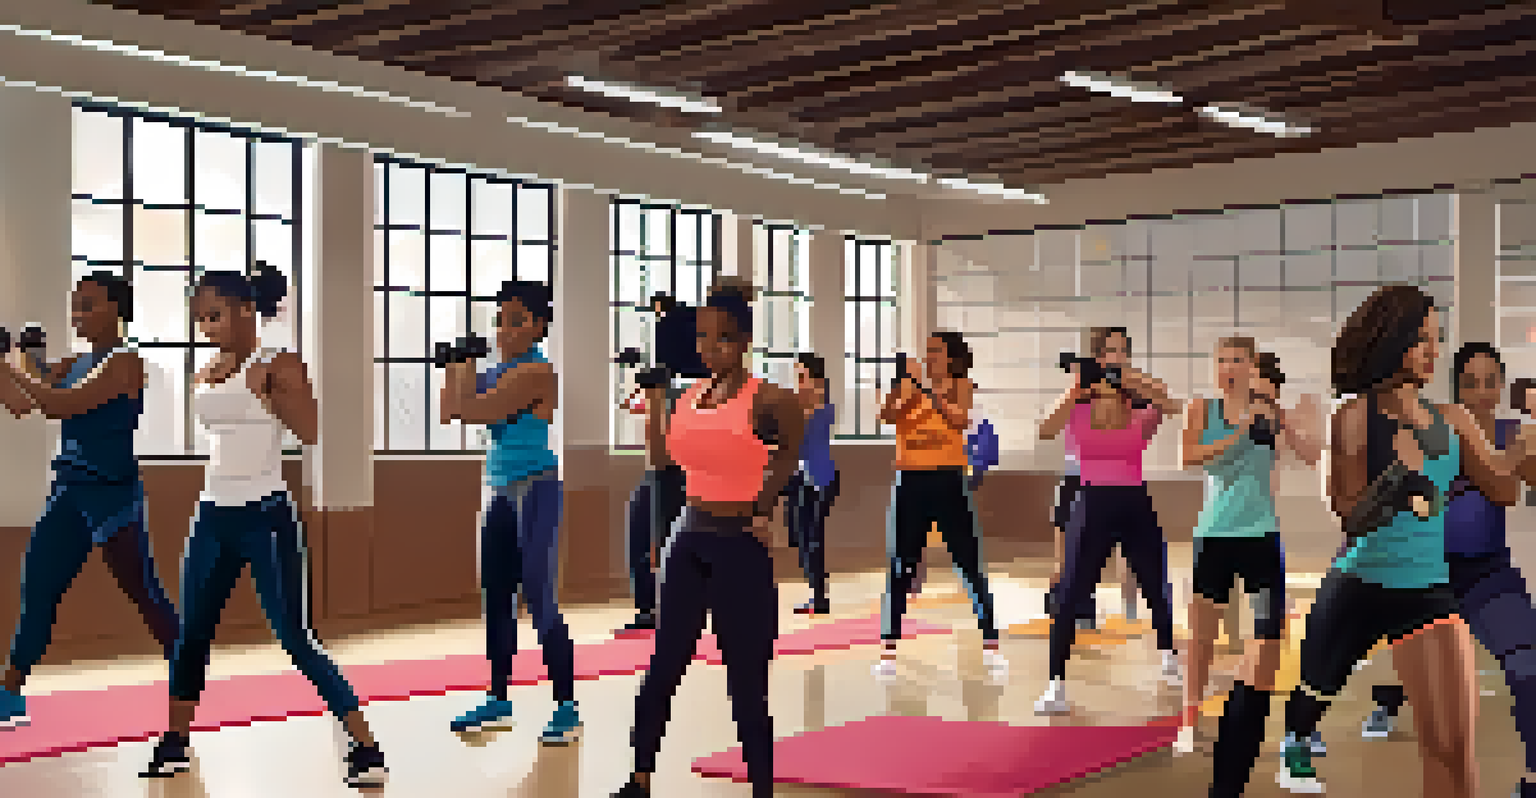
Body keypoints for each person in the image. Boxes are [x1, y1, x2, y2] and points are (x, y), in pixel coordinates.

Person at [140, 263, 386, 787]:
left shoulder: (278, 363)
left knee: (295, 638)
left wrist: (276, 394)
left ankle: (363, 744)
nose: (205, 327)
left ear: (247, 310)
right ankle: (176, 740)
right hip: (211, 515)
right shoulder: (206, 369)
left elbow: (313, 430)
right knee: (191, 636)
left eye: (214, 315)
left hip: (266, 515)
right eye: (200, 318)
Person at [1272, 286, 1520, 797]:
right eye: (1419, 339)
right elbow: (1350, 515)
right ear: (1390, 340)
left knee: (1453, 745)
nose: (1433, 352)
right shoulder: (1356, 415)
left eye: (1437, 340)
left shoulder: (1452, 419)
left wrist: (1522, 451)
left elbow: (1502, 486)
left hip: (1426, 590)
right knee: (1317, 684)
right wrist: (1397, 479)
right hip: (1361, 582)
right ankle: (1295, 739)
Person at [612, 277, 805, 798]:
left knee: (745, 681)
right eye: (701, 339)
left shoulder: (768, 398)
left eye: (719, 339)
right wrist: (655, 400)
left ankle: (762, 788)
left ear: (743, 342)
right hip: (688, 537)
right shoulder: (689, 396)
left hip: (739, 544)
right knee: (663, 665)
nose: (707, 349)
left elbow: (792, 449)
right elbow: (660, 461)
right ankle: (640, 779)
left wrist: (764, 505)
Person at [1356, 342, 1536, 798]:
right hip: (1427, 576)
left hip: (1488, 574)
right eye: (1470, 382)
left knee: (1528, 666)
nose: (1480, 392)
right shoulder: (1432, 429)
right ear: (1455, 386)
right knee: (1424, 683)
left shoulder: (1514, 432)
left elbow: (1521, 486)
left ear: (1499, 386)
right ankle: (1383, 703)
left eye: (1489, 381)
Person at [0, 273, 179, 729]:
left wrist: (15, 370)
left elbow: (62, 406)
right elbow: (23, 404)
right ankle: (9, 692)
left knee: (143, 593)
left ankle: (186, 667)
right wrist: (5, 362)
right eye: (75, 306)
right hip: (70, 491)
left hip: (111, 493)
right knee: (37, 583)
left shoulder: (125, 364)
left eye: (89, 306)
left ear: (116, 310)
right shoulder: (73, 363)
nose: (78, 315)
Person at [439, 280, 582, 744]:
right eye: (500, 319)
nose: (504, 330)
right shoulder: (500, 370)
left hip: (535, 489)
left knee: (539, 600)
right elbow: (449, 410)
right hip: (497, 489)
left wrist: (462, 369)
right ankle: (498, 698)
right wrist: (457, 364)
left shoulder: (537, 373)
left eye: (516, 320)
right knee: (496, 598)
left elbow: (477, 410)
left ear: (538, 326)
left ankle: (566, 705)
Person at [1179, 342, 1321, 797]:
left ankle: (1256, 723)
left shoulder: (1268, 411)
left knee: (1267, 640)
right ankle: (1190, 718)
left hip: (1261, 537)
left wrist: (1284, 420)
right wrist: (1239, 431)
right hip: (1215, 537)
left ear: (1253, 369)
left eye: (1238, 361)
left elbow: (1312, 455)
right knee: (1202, 638)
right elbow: (1190, 456)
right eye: (1221, 360)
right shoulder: (1202, 408)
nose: (1229, 368)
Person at [1036, 326, 1182, 715]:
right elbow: (1045, 429)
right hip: (1091, 500)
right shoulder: (1080, 405)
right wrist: (1077, 389)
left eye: (1121, 351)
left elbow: (1172, 403)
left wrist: (1125, 378)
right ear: (1096, 357)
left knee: (1155, 582)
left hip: (1135, 500)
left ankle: (1170, 655)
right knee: (1070, 592)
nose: (1114, 358)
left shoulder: (1141, 408)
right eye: (1107, 352)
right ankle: (1055, 684)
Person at [873, 331, 1006, 684]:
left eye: (936, 351)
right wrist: (902, 384)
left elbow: (959, 420)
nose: (929, 356)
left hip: (949, 480)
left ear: (949, 357)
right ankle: (888, 647)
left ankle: (991, 643)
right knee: (900, 565)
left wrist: (926, 390)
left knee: (969, 563)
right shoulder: (907, 385)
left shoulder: (961, 385)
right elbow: (886, 415)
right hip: (910, 481)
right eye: (927, 350)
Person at [617, 296, 688, 634]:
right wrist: (636, 377)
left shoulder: (682, 393)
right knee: (639, 532)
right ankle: (647, 609)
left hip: (672, 474)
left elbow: (666, 448)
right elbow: (627, 404)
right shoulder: (657, 389)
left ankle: (667, 610)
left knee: (662, 543)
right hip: (652, 474)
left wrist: (655, 396)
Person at [789, 352, 839, 615]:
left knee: (812, 538)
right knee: (799, 535)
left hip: (821, 478)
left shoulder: (819, 404)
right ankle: (815, 593)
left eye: (801, 375)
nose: (797, 381)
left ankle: (819, 598)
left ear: (814, 378)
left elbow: (801, 435)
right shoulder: (803, 403)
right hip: (803, 477)